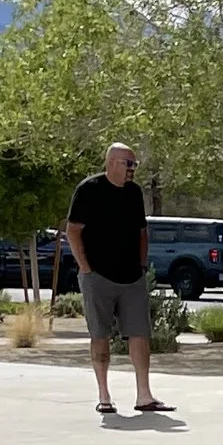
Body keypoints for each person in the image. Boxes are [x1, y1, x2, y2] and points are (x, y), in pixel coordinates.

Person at [63, 140, 169, 418]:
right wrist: (85, 267)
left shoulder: (134, 193)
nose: (133, 170)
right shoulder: (89, 190)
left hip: (132, 276)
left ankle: (144, 395)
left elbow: (141, 231)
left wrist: (142, 264)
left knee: (140, 334)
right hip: (97, 275)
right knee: (100, 334)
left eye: (135, 164)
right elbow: (73, 230)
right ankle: (104, 396)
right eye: (129, 164)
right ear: (111, 164)